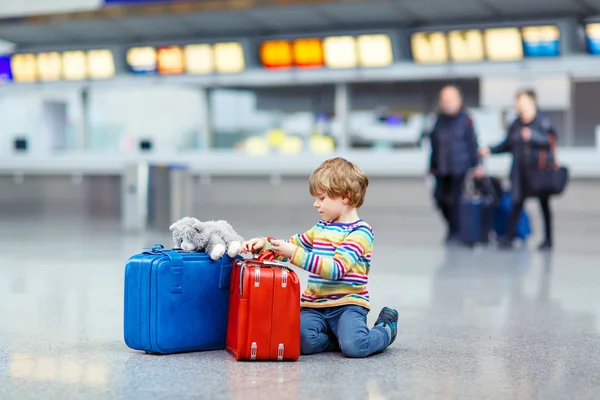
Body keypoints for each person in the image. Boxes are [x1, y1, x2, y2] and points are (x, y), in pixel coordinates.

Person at [242, 157, 398, 358]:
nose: (316, 204)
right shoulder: (320, 228)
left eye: (322, 198)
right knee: (299, 341)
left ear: (345, 196)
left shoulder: (361, 232)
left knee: (356, 347)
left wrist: (293, 254)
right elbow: (291, 244)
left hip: (348, 304)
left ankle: (385, 329)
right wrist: (264, 244)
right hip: (315, 305)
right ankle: (339, 338)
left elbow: (336, 269)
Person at [480, 89, 556, 250]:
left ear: (531, 101)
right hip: (520, 172)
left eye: (521, 100)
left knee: (544, 205)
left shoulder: (542, 120)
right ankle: (510, 236)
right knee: (517, 203)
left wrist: (532, 136)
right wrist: (490, 150)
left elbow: (550, 141)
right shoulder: (516, 123)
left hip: (539, 171)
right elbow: (507, 144)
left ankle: (548, 239)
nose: (517, 104)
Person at [429, 85, 482, 243]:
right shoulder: (438, 119)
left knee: (457, 201)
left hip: (460, 167)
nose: (447, 103)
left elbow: (473, 143)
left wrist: (477, 164)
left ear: (458, 100)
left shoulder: (466, 119)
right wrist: (432, 166)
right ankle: (453, 227)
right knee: (439, 199)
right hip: (441, 168)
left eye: (450, 99)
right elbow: (434, 144)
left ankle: (456, 231)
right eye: (444, 100)